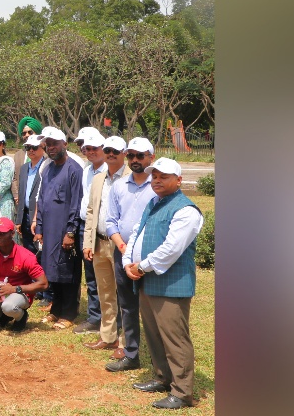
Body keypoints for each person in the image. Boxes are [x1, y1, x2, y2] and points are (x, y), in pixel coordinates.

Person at [122, 158, 204, 410]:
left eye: (163, 176)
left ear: (178, 180)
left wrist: (141, 266)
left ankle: (182, 392)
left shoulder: (186, 210)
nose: (156, 180)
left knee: (175, 337)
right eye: (154, 176)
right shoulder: (154, 203)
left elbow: (171, 249)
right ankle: (162, 377)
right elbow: (136, 233)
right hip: (146, 279)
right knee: (154, 334)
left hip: (171, 283)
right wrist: (127, 260)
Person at [105, 137, 158, 370]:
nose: (135, 160)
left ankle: (159, 359)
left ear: (151, 158)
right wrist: (123, 248)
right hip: (122, 253)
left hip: (149, 257)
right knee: (127, 305)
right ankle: (132, 354)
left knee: (153, 308)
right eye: (131, 156)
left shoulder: (157, 186)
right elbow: (110, 222)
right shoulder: (119, 186)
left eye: (140, 156)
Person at [31, 127, 85, 329]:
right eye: (48, 145)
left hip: (65, 231)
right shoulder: (48, 168)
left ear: (65, 144)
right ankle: (56, 309)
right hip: (50, 231)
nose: (51, 148)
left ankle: (69, 313)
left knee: (67, 271)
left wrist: (70, 232)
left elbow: (76, 204)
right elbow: (42, 201)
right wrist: (40, 229)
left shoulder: (74, 169)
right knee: (52, 270)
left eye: (55, 144)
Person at [81, 136, 130, 351]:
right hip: (100, 242)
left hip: (122, 245)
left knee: (126, 295)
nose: (111, 154)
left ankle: (127, 342)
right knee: (105, 293)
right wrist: (88, 242)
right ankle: (108, 336)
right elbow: (92, 211)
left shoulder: (132, 177)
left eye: (115, 151)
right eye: (108, 150)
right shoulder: (99, 178)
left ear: (124, 153)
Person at [72, 127, 107, 333]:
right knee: (91, 275)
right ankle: (95, 317)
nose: (91, 151)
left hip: (100, 227)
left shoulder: (107, 171)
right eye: (87, 148)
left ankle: (105, 317)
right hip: (85, 226)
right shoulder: (86, 170)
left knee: (104, 274)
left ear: (103, 148)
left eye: (95, 148)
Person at [14, 133, 47, 256]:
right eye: (28, 147)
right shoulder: (24, 168)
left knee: (40, 252)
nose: (31, 150)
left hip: (39, 216)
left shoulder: (47, 166)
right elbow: (22, 194)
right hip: (25, 216)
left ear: (42, 147)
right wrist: (19, 220)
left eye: (34, 147)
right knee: (28, 252)